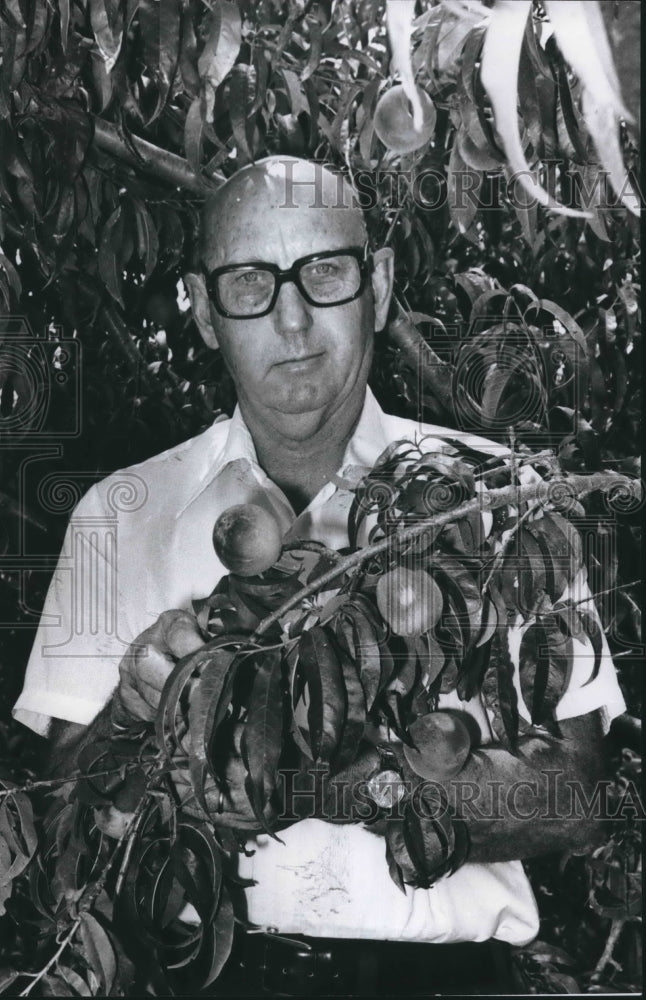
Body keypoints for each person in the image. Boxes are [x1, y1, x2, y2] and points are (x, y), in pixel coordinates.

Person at [14, 157, 626, 996]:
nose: (293, 320)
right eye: (250, 282)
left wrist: (348, 784)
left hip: (441, 981)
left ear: (377, 282)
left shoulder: (505, 501)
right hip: (204, 979)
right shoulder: (117, 516)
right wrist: (132, 717)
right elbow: (59, 824)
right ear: (201, 308)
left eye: (325, 271)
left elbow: (578, 795)